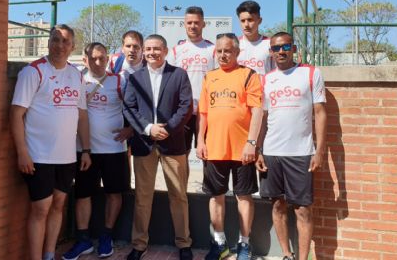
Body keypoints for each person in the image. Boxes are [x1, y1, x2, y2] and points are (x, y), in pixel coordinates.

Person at [10, 24, 92, 260]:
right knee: (41, 208)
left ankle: (49, 255)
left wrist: (85, 150)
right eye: (55, 40)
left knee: (58, 205)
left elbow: (82, 116)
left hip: (67, 156)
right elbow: (16, 115)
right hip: (38, 156)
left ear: (73, 46)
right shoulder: (33, 72)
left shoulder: (77, 75)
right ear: (48, 42)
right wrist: (22, 152)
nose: (60, 45)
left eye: (65, 41)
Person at [256, 32, 327, 260]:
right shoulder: (266, 80)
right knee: (277, 206)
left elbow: (320, 112)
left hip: (301, 153)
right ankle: (287, 254)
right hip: (272, 153)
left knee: (303, 210)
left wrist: (320, 149)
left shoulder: (310, 73)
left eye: (285, 47)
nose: (281, 51)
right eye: (276, 48)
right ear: (271, 52)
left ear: (293, 48)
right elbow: (263, 118)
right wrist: (258, 150)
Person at [123, 34, 194, 260]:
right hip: (144, 144)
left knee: (179, 195)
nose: (152, 53)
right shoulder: (135, 78)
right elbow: (129, 108)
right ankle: (139, 244)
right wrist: (148, 129)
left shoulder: (179, 75)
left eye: (157, 49)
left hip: (172, 144)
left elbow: (186, 107)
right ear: (144, 51)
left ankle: (184, 243)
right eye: (149, 49)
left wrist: (167, 128)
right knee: (143, 196)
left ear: (165, 51)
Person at [196, 33, 263, 260]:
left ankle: (244, 244)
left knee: (244, 197)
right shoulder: (209, 77)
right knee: (216, 197)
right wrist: (200, 141)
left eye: (228, 51)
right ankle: (220, 244)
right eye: (220, 51)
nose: (223, 55)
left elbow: (257, 112)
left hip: (243, 150)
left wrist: (251, 144)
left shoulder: (249, 75)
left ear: (237, 52)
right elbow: (203, 113)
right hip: (214, 149)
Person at [63, 42, 131, 260]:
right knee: (83, 194)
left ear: (108, 58)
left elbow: (136, 108)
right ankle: (83, 240)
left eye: (102, 58)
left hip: (114, 150)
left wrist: (130, 129)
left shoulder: (119, 81)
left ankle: (106, 236)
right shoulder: (76, 80)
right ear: (85, 60)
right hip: (84, 150)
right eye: (93, 58)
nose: (99, 62)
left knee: (114, 193)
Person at [167, 6, 215, 153]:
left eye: (196, 22)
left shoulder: (212, 49)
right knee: (182, 155)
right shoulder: (176, 51)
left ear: (203, 24)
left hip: (208, 111)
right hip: (183, 110)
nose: (193, 26)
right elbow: (170, 82)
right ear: (184, 24)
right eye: (189, 23)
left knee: (209, 153)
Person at [236, 0, 272, 76]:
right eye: (242, 21)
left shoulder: (270, 44)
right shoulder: (234, 45)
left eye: (250, 20)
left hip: (262, 88)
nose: (246, 24)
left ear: (259, 21)